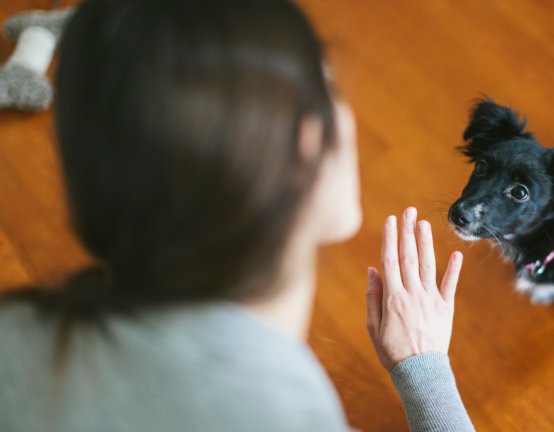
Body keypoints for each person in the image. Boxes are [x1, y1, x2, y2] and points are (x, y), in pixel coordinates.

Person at [0, 0, 475, 431]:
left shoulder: (13, 332)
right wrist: (426, 371)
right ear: (305, 146)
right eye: (331, 89)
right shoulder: (287, 416)